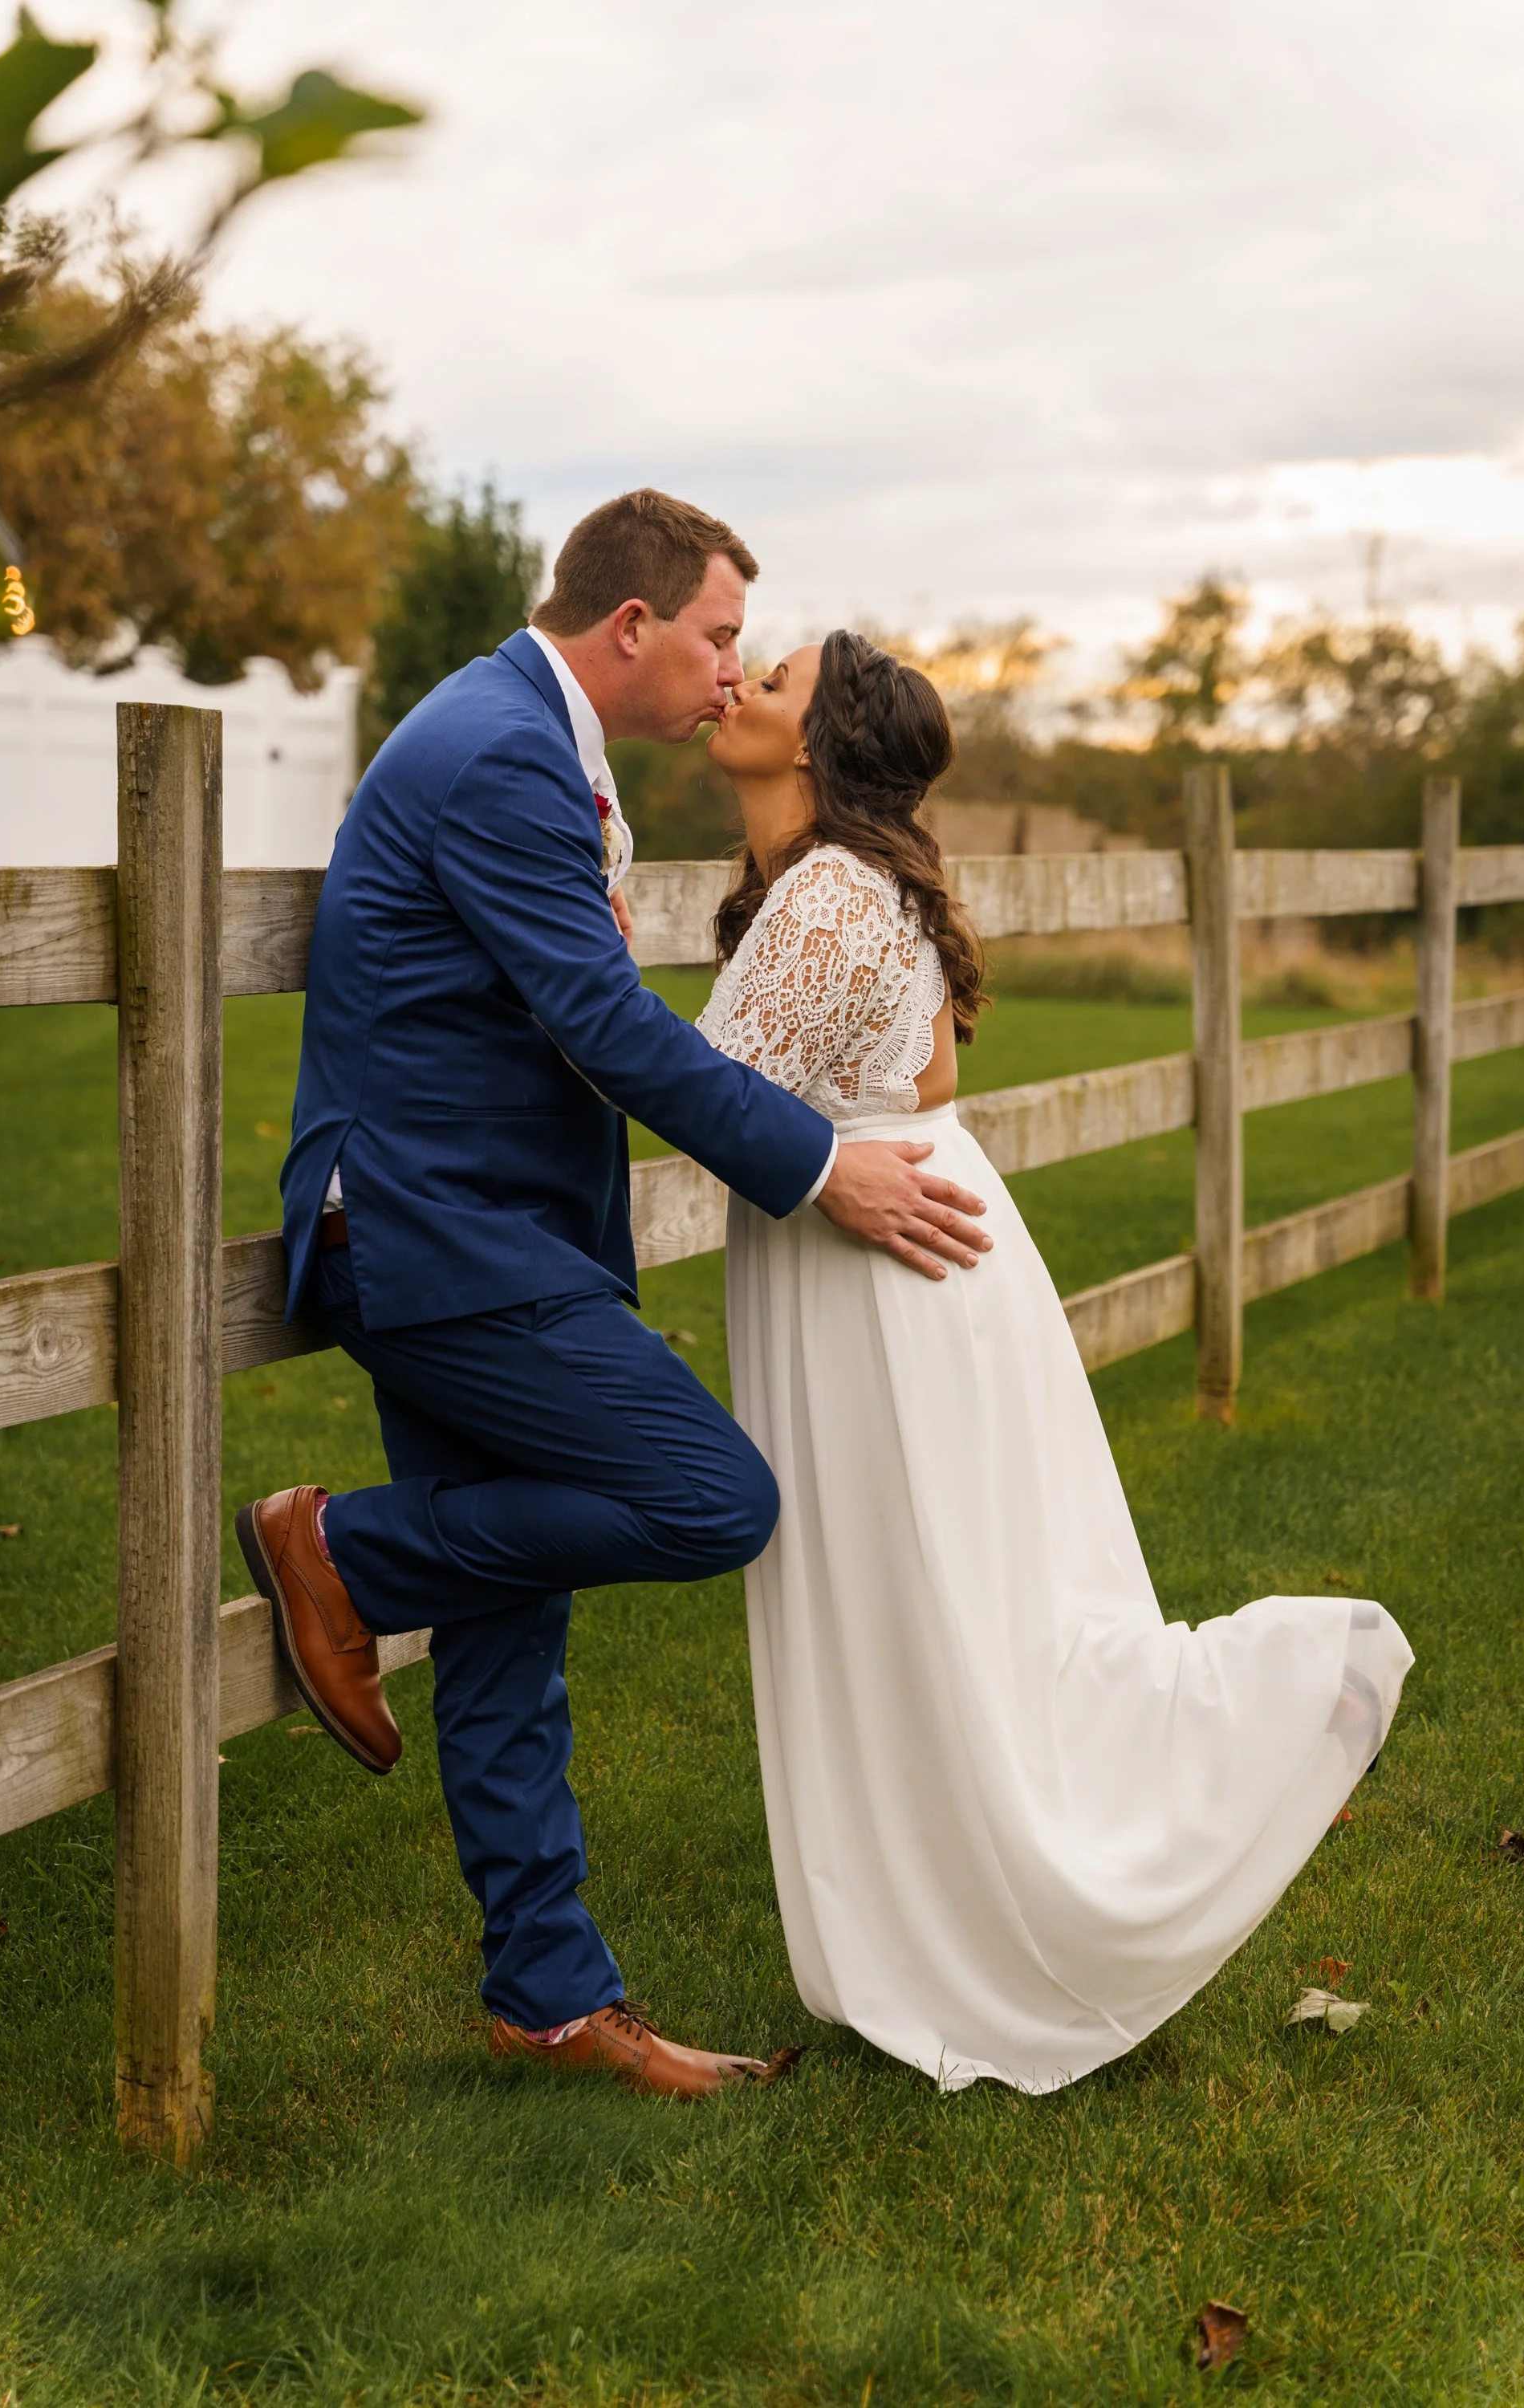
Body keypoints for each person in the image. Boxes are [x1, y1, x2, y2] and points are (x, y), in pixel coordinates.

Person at [234, 494, 995, 2101]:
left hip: (487, 1233)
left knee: (510, 1619)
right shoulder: (500, 749)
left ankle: (550, 2001)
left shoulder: (528, 736)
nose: (731, 672)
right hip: (433, 1238)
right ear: (632, 626)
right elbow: (597, 1017)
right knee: (708, 1495)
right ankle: (341, 1547)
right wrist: (818, 1165)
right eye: (721, 636)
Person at [697, 629, 1413, 2093]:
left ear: (823, 746)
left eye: (775, 680)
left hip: (881, 1279)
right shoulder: (847, 886)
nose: (743, 682)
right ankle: (957, 1873)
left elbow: (692, 1091)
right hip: (924, 1270)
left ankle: (1122, 1815)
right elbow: (932, 1079)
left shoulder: (831, 891)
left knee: (930, 1603)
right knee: (966, 1597)